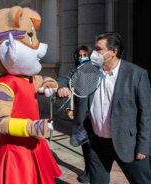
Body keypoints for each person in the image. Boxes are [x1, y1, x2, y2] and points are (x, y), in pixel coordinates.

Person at [57, 32, 151, 184]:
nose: (94, 53)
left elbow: (146, 114)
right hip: (96, 142)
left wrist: (143, 146)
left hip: (128, 143)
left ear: (113, 52)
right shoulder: (88, 70)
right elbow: (64, 78)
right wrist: (62, 87)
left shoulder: (136, 74)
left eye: (98, 49)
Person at [58, 45, 92, 184]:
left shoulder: (99, 70)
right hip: (83, 117)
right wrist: (62, 87)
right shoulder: (76, 71)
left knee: (95, 149)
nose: (82, 57)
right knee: (86, 145)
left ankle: (93, 174)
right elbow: (64, 78)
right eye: (79, 55)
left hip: (99, 117)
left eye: (85, 55)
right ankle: (88, 172)